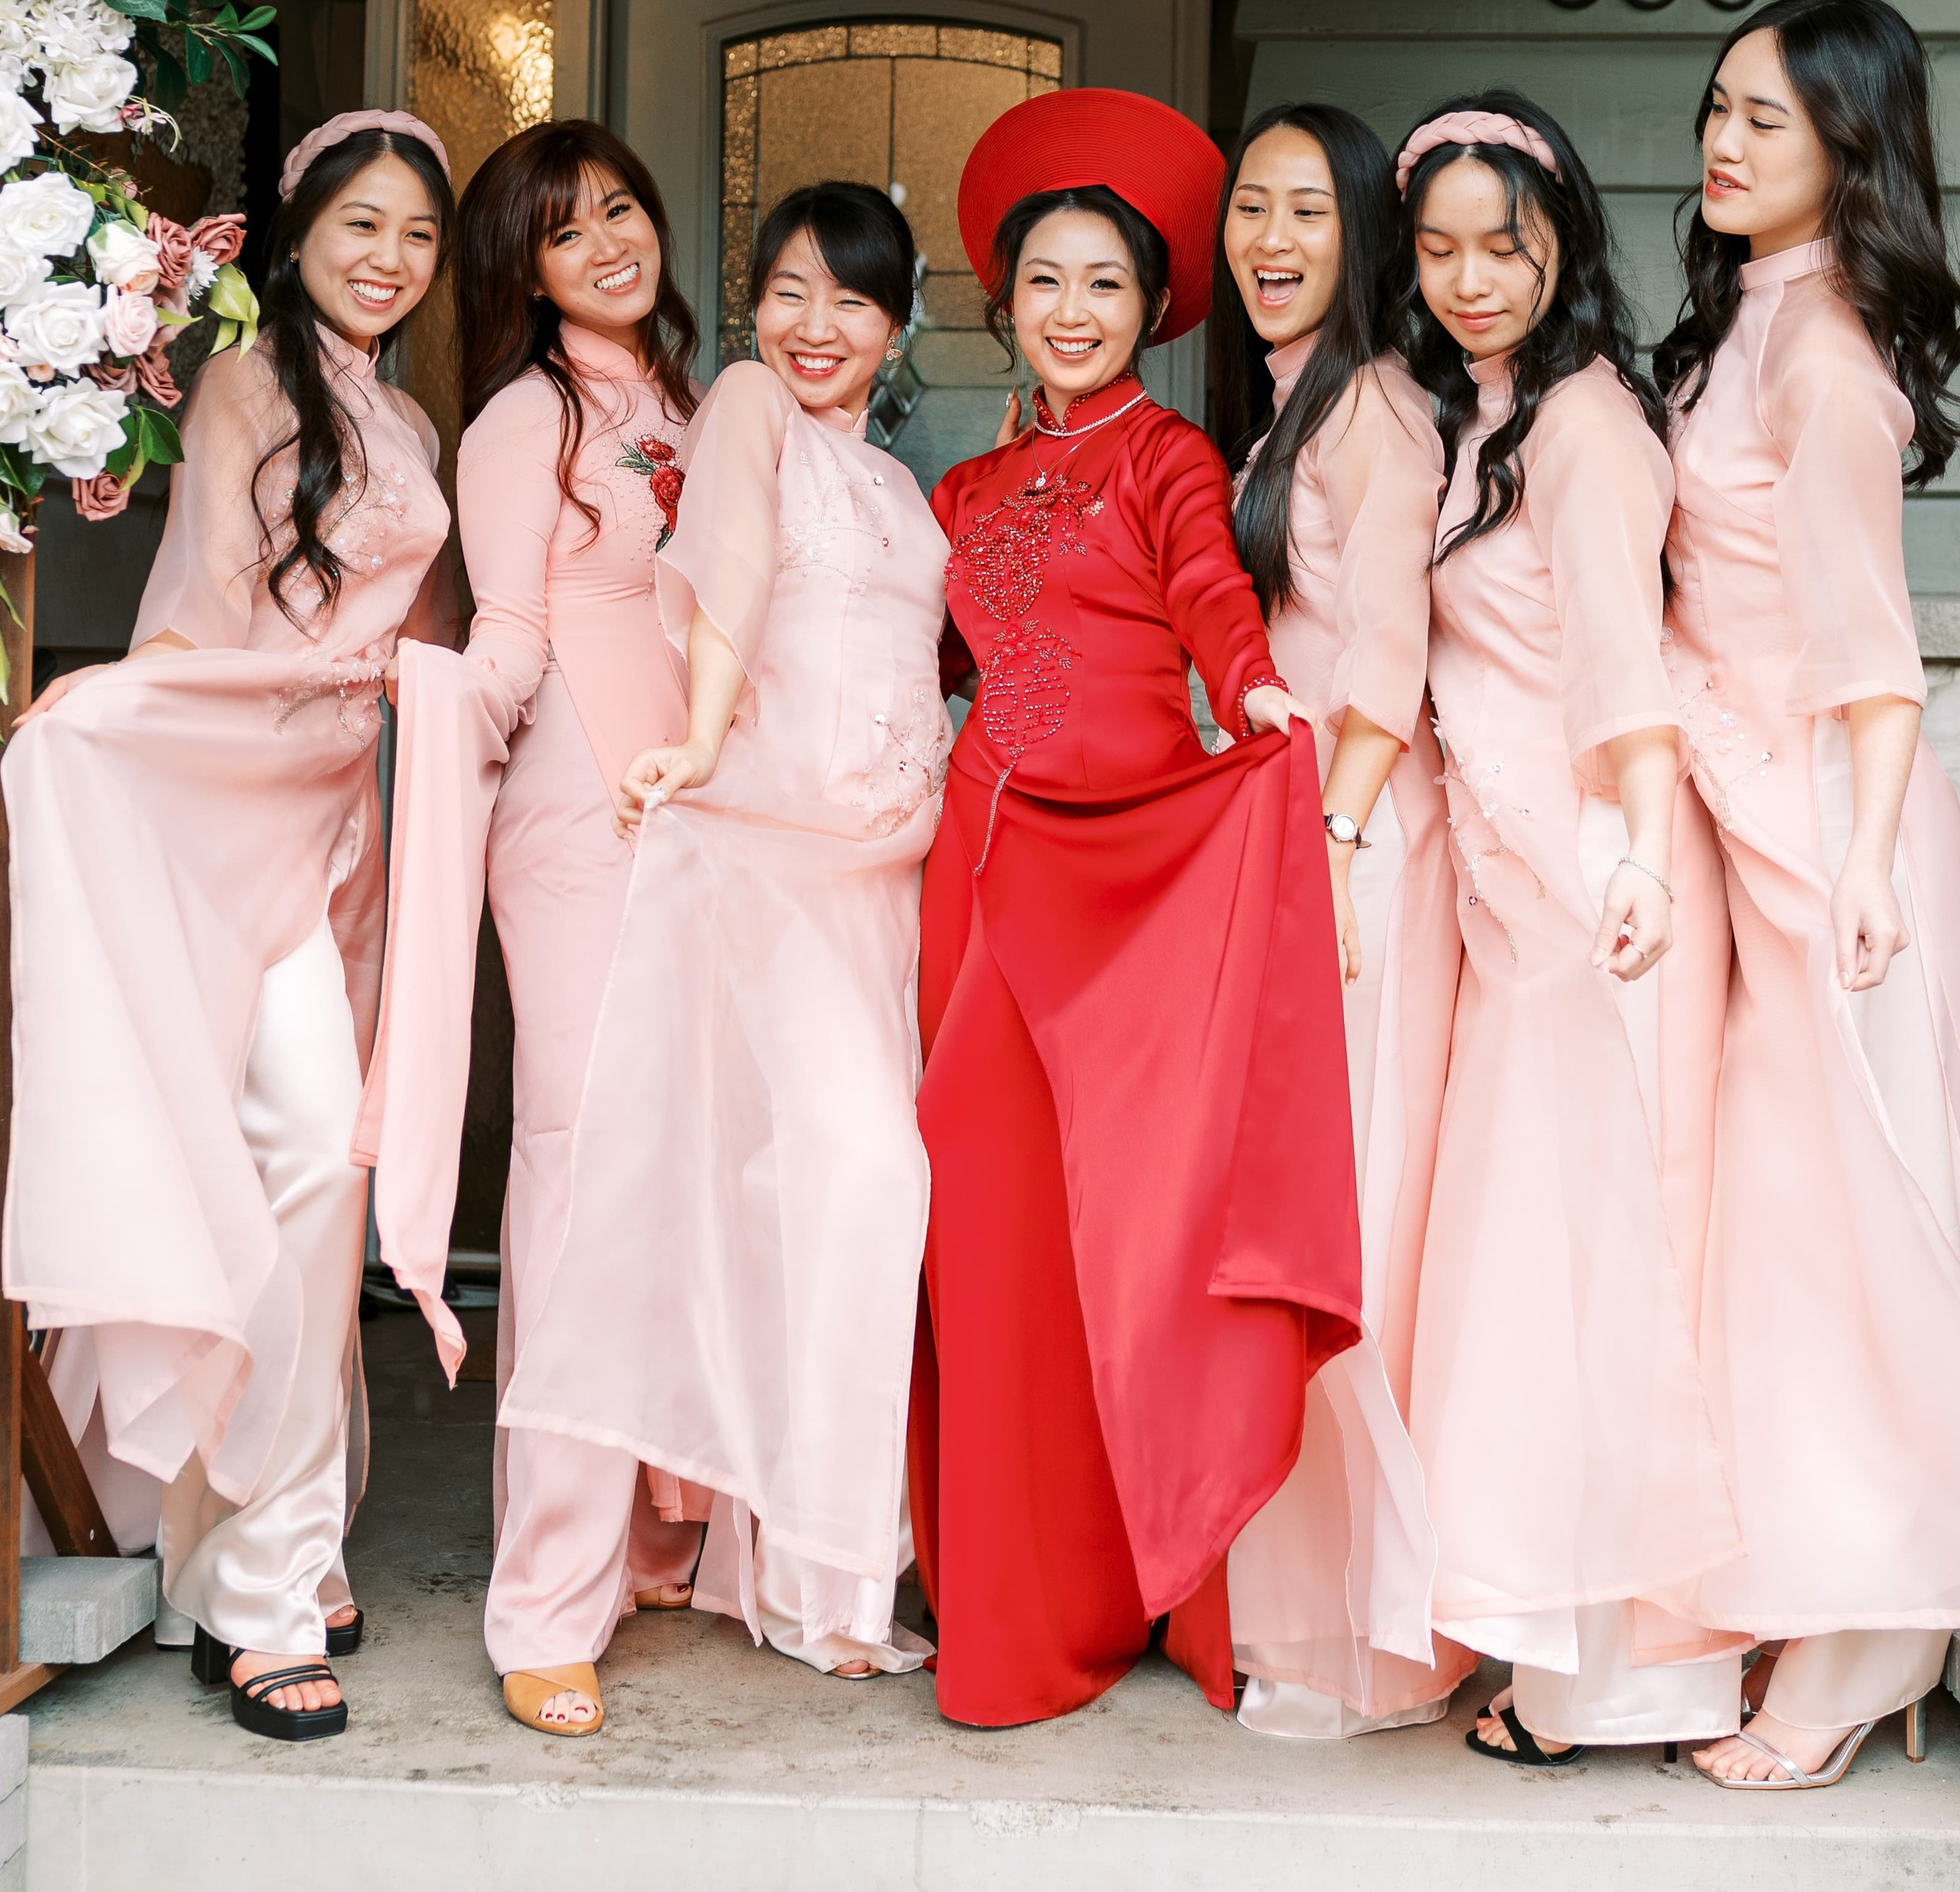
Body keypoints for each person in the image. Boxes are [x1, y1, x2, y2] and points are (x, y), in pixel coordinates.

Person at [909, 86, 1358, 1732]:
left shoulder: (1170, 457)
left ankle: (1140, 1573)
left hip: (1125, 880)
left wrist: (1254, 690)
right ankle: (1008, 1598)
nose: (1073, 308)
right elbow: (918, 657)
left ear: (1150, 305)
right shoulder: (962, 490)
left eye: (1105, 282)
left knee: (1133, 1231)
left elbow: (1206, 589)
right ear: (1005, 301)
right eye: (1045, 280)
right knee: (989, 1238)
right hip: (978, 873)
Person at [4, 111, 457, 1743]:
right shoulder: (247, 386)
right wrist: (126, 726)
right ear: (298, 228)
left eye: (417, 234)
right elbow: (199, 613)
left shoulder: (402, 410)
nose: (389, 258)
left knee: (317, 1187)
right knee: (288, 1172)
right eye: (362, 225)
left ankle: (260, 1554)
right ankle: (257, 1588)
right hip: (227, 807)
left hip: (332, 824)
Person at [494, 182, 952, 1690]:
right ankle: (666, 1578)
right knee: (859, 1175)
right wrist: (695, 738)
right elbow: (734, 565)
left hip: (890, 880)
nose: (817, 326)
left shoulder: (904, 490)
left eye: (854, 299)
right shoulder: (748, 406)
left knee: (807, 1208)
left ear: (900, 325)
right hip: (768, 856)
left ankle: (806, 1572)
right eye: (790, 291)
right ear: (753, 302)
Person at [1653, 0, 1960, 1792]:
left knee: (1846, 1240)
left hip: (1830, 835)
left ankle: (1869, 1639)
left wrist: (1860, 865)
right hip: (1750, 810)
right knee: (1778, 1242)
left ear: (1847, 149)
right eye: (1717, 108)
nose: (1722, 144)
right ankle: (1829, 1601)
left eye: (1765, 122)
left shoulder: (1828, 359)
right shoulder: (1748, 319)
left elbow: (1872, 652)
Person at [1395, 96, 1741, 1766]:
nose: (1470, 278)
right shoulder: (1484, 419)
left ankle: (1618, 1678)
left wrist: (1640, 866)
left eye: (1504, 246)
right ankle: (1551, 1641)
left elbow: (1623, 667)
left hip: (1593, 881)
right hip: (1513, 885)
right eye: (1438, 249)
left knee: (1593, 1263)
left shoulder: (1588, 422)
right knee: (1536, 1261)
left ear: (1561, 244)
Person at [364, 123, 709, 1737]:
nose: (608, 245)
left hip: (700, 828)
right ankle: (545, 1601)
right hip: (579, 825)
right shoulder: (525, 419)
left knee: (680, 1179)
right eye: (567, 233)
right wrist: (412, 697)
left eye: (621, 210)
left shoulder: (690, 402)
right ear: (527, 270)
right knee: (576, 1184)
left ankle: (655, 1536)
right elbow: (506, 631)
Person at [1215, 104, 1472, 1740]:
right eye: (1252, 205)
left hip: (1356, 841)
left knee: (1350, 1206)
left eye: (1308, 208)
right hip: (1302, 832)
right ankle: (1297, 1590)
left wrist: (1335, 834)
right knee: (1306, 1202)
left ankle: (1361, 1626)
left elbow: (1386, 646)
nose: (1271, 238)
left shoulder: (1375, 402)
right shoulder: (1291, 404)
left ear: (1362, 232)